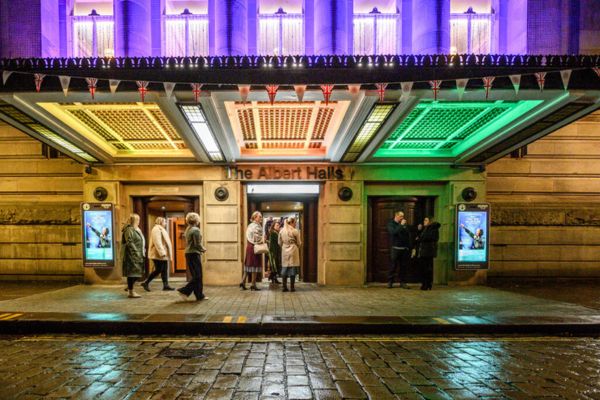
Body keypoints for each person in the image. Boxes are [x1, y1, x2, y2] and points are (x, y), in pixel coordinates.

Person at [177, 212, 207, 301]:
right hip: (194, 253)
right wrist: (203, 249)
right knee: (198, 275)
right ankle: (184, 291)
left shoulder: (188, 229)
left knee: (196, 275)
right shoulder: (195, 230)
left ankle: (199, 295)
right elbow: (197, 243)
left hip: (189, 253)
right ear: (196, 220)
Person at [141, 217, 175, 292]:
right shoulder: (156, 229)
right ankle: (146, 282)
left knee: (164, 270)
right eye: (164, 222)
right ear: (160, 222)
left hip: (162, 253)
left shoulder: (161, 229)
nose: (166, 223)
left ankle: (165, 285)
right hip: (157, 254)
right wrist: (162, 253)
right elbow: (157, 242)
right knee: (159, 269)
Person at [121, 213, 145, 298]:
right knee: (132, 273)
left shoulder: (135, 229)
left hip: (137, 253)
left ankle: (129, 287)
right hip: (131, 255)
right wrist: (135, 252)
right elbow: (130, 242)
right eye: (137, 220)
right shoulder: (129, 229)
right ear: (133, 220)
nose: (139, 221)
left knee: (137, 272)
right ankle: (131, 291)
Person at [386, 211, 411, 289]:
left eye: (403, 216)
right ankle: (390, 282)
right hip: (395, 249)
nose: (402, 218)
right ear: (396, 216)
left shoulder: (404, 225)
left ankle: (403, 282)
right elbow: (393, 232)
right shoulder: (391, 224)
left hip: (404, 249)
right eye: (401, 216)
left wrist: (409, 247)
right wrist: (401, 225)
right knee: (393, 266)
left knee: (403, 267)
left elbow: (408, 235)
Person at [241, 211, 264, 291]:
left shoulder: (250, 225)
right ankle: (253, 284)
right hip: (255, 247)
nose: (260, 218)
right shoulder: (256, 226)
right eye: (259, 217)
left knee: (249, 265)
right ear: (254, 217)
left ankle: (243, 282)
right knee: (255, 265)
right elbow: (256, 237)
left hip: (249, 247)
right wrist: (262, 239)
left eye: (261, 217)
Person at [417, 217, 441, 291]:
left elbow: (427, 238)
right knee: (424, 268)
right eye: (424, 220)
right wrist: (419, 231)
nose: (424, 221)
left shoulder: (433, 228)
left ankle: (427, 284)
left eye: (426, 220)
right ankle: (425, 284)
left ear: (430, 222)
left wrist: (420, 238)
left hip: (428, 252)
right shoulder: (426, 228)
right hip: (424, 251)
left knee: (427, 268)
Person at [279, 217, 301, 292]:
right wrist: (297, 245)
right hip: (293, 250)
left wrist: (284, 245)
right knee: (293, 269)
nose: (295, 224)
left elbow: (279, 242)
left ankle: (284, 287)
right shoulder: (295, 231)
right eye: (295, 222)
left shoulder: (281, 231)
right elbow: (299, 242)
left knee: (284, 268)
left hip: (285, 250)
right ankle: (292, 287)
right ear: (291, 222)